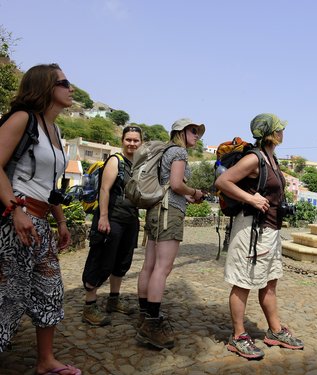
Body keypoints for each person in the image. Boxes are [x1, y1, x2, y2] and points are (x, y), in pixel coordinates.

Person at [0, 64, 81, 375]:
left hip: (41, 223)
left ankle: (45, 361)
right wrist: (15, 210)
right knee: (8, 295)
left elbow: (50, 185)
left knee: (50, 291)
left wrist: (60, 221)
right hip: (16, 222)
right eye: (64, 82)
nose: (71, 88)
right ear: (46, 86)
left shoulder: (55, 130)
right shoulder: (23, 119)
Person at [215, 113, 304, 360]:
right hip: (252, 230)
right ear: (271, 133)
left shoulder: (270, 157)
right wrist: (250, 198)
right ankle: (238, 336)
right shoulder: (255, 158)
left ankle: (275, 331)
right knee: (243, 283)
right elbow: (223, 181)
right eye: (279, 129)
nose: (283, 132)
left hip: (270, 230)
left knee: (270, 281)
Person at [136, 118, 205, 349]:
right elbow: (176, 184)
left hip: (156, 209)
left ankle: (144, 315)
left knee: (149, 265)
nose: (197, 135)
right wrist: (194, 191)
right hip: (169, 213)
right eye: (193, 131)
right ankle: (153, 324)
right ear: (181, 132)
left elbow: (168, 185)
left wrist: (188, 196)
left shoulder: (165, 151)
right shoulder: (179, 153)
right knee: (162, 268)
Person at [81, 126, 143, 326]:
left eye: (136, 140)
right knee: (101, 259)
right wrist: (103, 217)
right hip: (112, 219)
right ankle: (89, 306)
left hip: (130, 220)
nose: (132, 143)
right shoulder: (115, 161)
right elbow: (105, 190)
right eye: (128, 139)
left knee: (122, 262)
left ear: (141, 142)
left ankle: (113, 301)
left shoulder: (138, 165)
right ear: (122, 140)